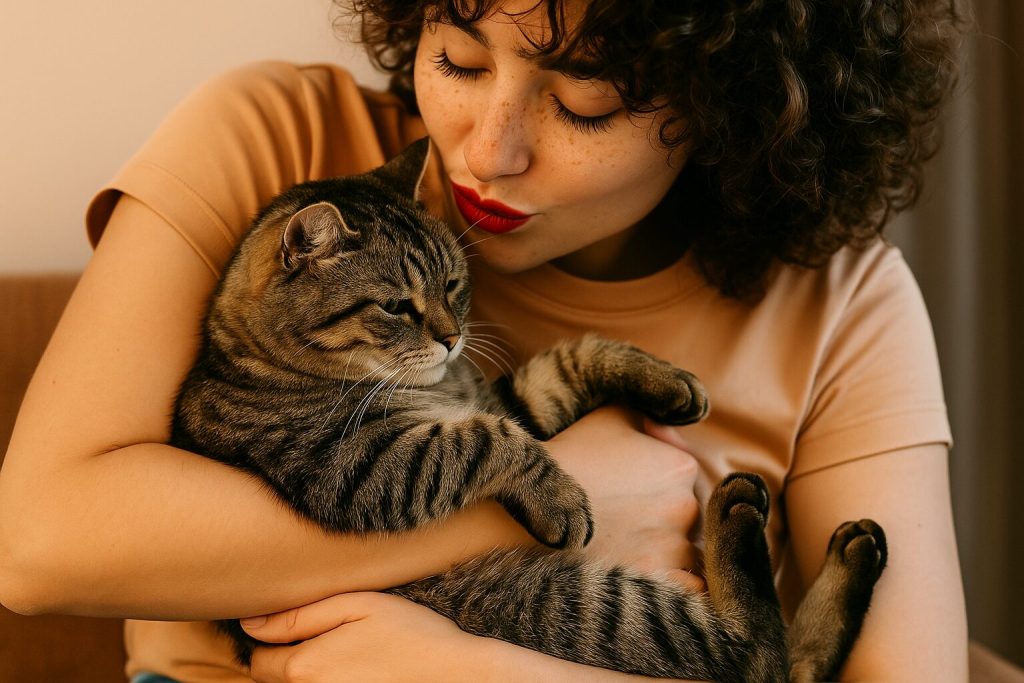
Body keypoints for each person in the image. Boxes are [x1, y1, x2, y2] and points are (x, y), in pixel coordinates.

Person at [0, 0, 968, 681]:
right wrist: (532, 502)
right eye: (459, 60)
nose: (486, 152)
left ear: (731, 107)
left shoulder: (845, 302)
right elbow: (38, 545)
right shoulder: (281, 139)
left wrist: (478, 669)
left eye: (585, 103)